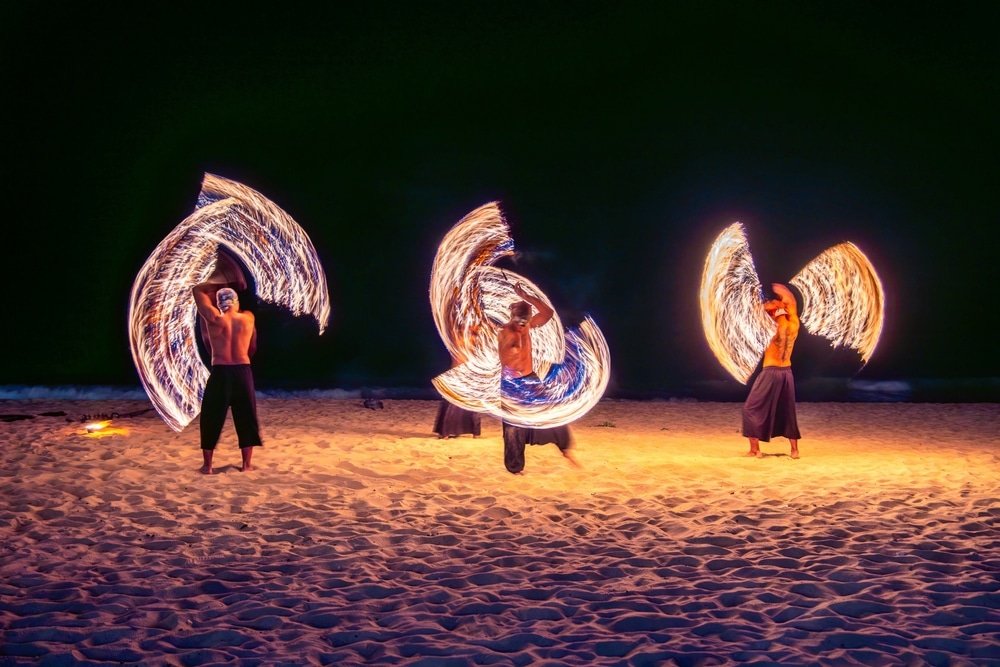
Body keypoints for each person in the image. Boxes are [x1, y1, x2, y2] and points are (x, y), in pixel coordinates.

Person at [192, 252, 261, 474]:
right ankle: (247, 465)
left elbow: (197, 290)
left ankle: (208, 466)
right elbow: (253, 348)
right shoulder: (248, 318)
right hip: (243, 371)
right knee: (246, 417)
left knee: (211, 415)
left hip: (220, 372)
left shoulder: (213, 318)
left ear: (220, 304)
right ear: (236, 302)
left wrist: (224, 281)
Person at [498, 283, 578, 474]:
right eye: (520, 318)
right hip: (511, 384)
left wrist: (526, 295)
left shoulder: (528, 325)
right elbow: (507, 354)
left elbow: (548, 313)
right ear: (512, 316)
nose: (524, 323)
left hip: (530, 379)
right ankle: (515, 468)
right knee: (513, 427)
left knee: (549, 410)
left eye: (526, 318)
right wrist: (515, 343)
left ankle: (565, 449)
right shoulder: (505, 331)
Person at [742, 282, 801, 459]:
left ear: (773, 314)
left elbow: (755, 310)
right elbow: (791, 302)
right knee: (787, 411)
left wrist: (772, 303)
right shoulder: (794, 325)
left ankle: (755, 450)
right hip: (787, 373)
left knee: (750, 409)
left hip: (770, 372)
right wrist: (781, 293)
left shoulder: (772, 329)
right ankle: (794, 451)